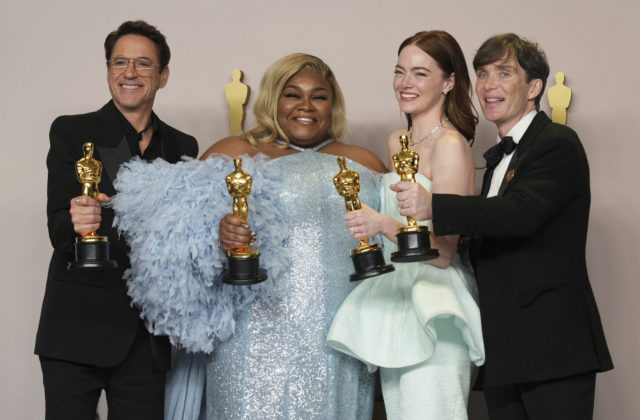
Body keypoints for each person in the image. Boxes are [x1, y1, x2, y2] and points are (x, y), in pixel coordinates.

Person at [393, 33, 613, 420]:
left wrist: (433, 205)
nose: (489, 85)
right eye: (482, 74)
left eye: (504, 73)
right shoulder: (499, 158)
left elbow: (520, 213)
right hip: (505, 349)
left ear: (534, 88)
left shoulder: (557, 142)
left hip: (552, 348)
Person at [202, 52, 386, 419]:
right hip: (251, 336)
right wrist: (217, 232)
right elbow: (177, 241)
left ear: (333, 105)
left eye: (319, 96)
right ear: (273, 99)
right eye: (292, 94)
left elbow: (398, 238)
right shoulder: (234, 153)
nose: (306, 105)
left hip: (340, 336)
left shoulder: (364, 161)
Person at [34, 20, 198, 420]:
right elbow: (59, 229)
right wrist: (78, 223)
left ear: (163, 76)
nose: (130, 72)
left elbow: (182, 234)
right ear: (108, 70)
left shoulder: (183, 146)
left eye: (143, 64)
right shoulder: (73, 131)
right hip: (76, 327)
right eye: (119, 62)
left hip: (147, 336)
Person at [327, 31, 485, 419]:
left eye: (420, 73)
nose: (405, 83)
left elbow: (443, 253)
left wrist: (382, 224)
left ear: (448, 82)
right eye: (400, 72)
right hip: (395, 301)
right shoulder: (398, 141)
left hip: (436, 305)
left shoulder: (451, 145)